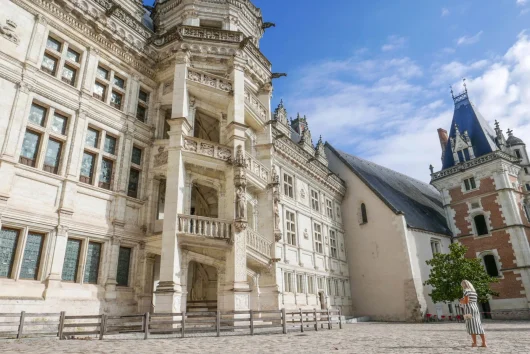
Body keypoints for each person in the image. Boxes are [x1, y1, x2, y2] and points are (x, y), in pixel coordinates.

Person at [459, 280, 487, 348]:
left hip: (468, 310)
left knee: (471, 326)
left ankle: (474, 343)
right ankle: (484, 343)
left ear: (463, 285)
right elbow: (472, 300)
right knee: (478, 325)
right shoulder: (474, 292)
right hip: (475, 309)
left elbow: (466, 301)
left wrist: (461, 301)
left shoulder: (466, 291)